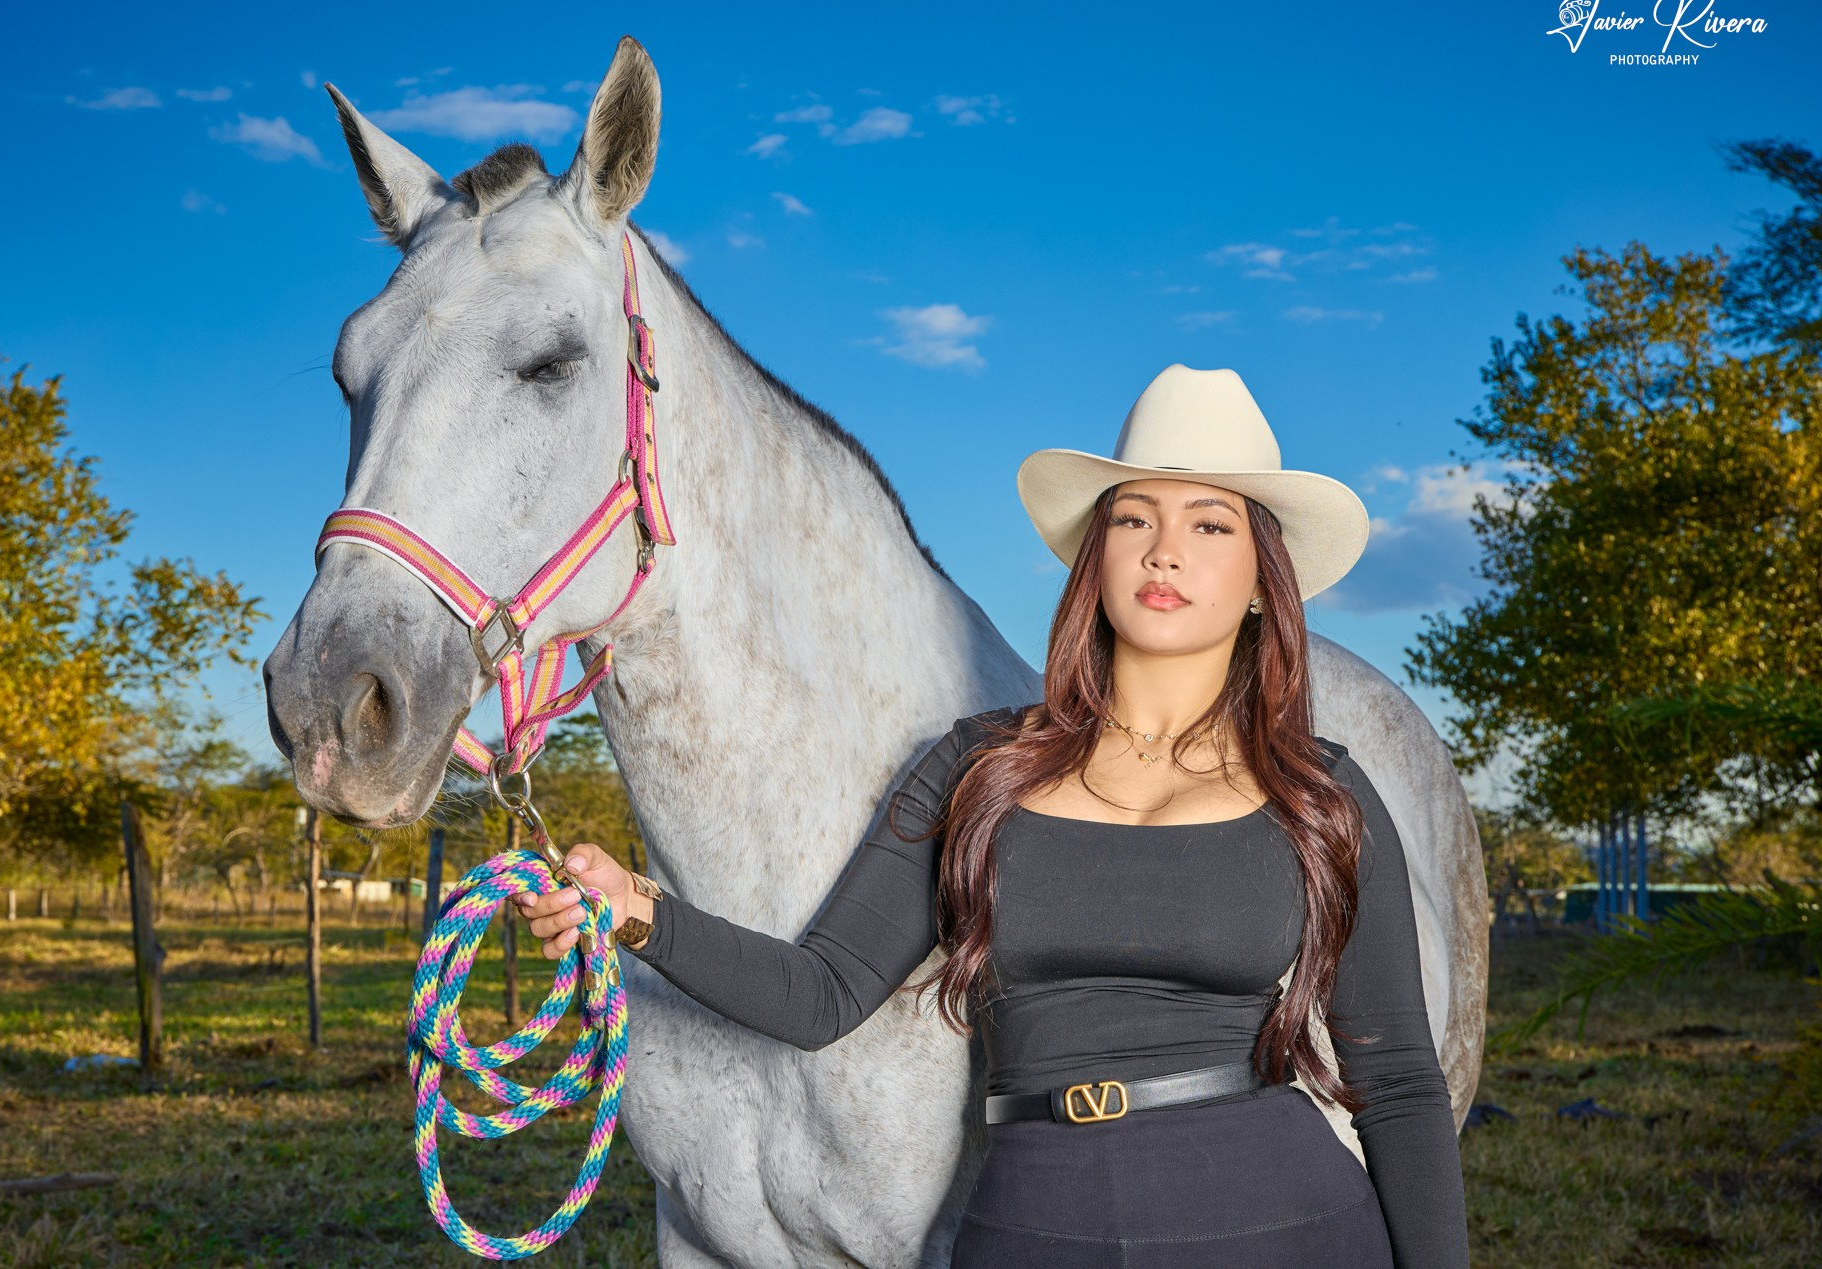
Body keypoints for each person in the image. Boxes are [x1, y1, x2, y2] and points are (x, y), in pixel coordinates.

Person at [515, 363, 1471, 1267]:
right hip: (1033, 1225)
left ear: (1266, 577)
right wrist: (636, 908)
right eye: (1134, 516)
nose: (1166, 548)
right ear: (1097, 556)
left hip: (1278, 1221)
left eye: (1211, 525)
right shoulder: (981, 766)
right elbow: (822, 993)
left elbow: (1397, 1087)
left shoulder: (1320, 795)